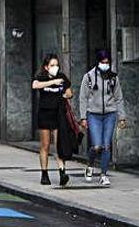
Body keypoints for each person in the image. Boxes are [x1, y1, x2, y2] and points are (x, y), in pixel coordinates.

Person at [79, 49, 127, 186]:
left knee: (106, 146)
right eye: (103, 62)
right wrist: (83, 117)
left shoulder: (113, 78)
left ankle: (103, 174)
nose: (105, 65)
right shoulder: (88, 77)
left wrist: (121, 116)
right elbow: (83, 98)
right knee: (96, 145)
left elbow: (119, 98)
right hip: (93, 114)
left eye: (107, 62)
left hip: (110, 114)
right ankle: (90, 165)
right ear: (98, 62)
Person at [33, 54, 72, 187]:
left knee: (59, 144)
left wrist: (67, 94)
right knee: (45, 145)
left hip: (58, 114)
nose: (55, 68)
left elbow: (69, 92)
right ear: (46, 67)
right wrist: (52, 82)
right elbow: (35, 85)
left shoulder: (62, 77)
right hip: (44, 114)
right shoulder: (41, 77)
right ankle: (44, 173)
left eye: (56, 65)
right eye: (52, 65)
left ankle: (62, 172)